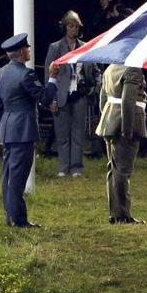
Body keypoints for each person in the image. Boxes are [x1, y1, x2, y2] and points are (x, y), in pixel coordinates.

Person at [0, 33, 59, 227]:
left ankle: (11, 216)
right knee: (18, 176)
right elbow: (44, 99)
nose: (29, 51)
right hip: (22, 129)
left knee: (8, 174)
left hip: (7, 128)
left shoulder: (0, 73)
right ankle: (18, 219)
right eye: (28, 48)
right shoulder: (26, 74)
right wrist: (53, 78)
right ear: (22, 51)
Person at [44, 11, 101, 177]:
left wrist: (94, 88)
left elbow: (95, 69)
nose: (74, 29)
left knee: (78, 134)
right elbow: (49, 76)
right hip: (61, 95)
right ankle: (63, 168)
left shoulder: (85, 47)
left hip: (79, 96)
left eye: (76, 26)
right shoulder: (55, 47)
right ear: (65, 27)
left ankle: (76, 168)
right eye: (71, 26)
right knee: (62, 134)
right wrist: (51, 99)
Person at [96, 64, 147, 224]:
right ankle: (122, 215)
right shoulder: (133, 69)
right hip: (125, 124)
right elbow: (128, 100)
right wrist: (127, 130)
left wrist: (107, 119)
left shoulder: (110, 68)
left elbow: (102, 99)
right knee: (123, 171)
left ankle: (115, 213)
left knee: (113, 169)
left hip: (110, 121)